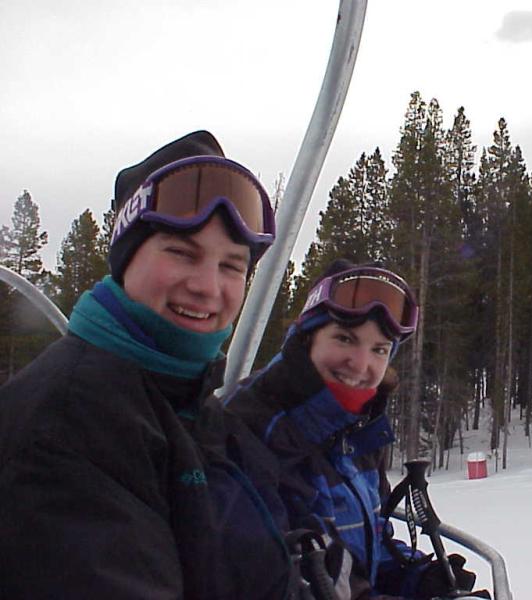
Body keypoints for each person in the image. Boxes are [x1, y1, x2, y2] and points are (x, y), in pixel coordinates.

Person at [0, 131, 296, 599]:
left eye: (231, 266)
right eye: (182, 253)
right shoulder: (68, 423)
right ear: (126, 258)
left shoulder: (192, 403)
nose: (207, 286)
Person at [225, 259, 487, 599]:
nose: (361, 364)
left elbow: (368, 549)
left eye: (379, 349)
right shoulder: (253, 431)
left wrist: (417, 578)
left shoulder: (355, 430)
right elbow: (288, 584)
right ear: (307, 338)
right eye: (344, 339)